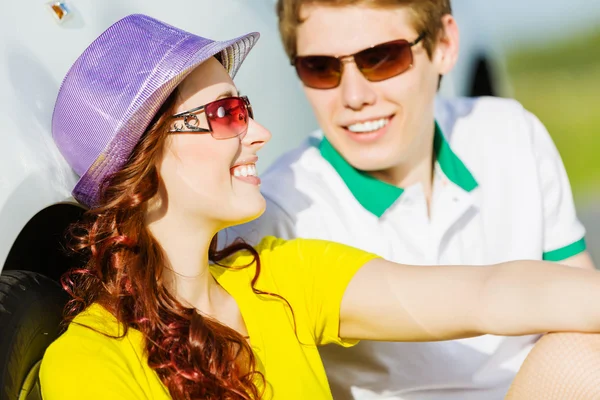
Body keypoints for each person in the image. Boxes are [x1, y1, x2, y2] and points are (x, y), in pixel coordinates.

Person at [39, 13, 600, 400]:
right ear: (145, 156)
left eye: (247, 108)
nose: (259, 132)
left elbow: (489, 294)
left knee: (580, 357)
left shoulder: (282, 277)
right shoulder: (89, 361)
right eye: (227, 114)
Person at [225, 0, 598, 399]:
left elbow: (581, 306)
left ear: (444, 45)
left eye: (382, 58)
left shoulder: (511, 133)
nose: (354, 96)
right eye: (320, 67)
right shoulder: (282, 211)